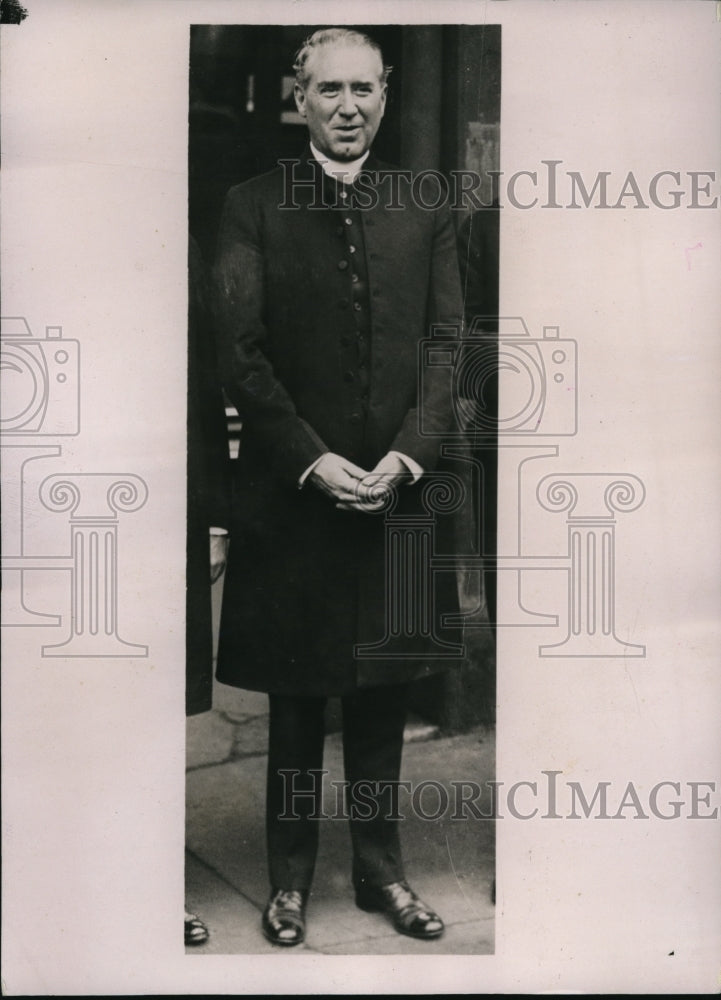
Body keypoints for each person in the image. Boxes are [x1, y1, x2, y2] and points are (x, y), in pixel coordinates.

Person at [213, 27, 464, 947]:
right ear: (300, 98)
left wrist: (407, 457)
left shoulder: (424, 203)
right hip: (295, 496)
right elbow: (238, 353)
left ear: (385, 95)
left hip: (400, 493)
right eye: (329, 90)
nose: (347, 107)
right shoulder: (251, 205)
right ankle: (287, 881)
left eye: (363, 89)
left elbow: (447, 345)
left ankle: (379, 873)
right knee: (295, 696)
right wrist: (313, 461)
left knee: (382, 693)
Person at [185, 236, 231, 945]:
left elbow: (203, 385)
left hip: (166, 504)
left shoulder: (179, 246)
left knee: (154, 708)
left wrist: (217, 517)